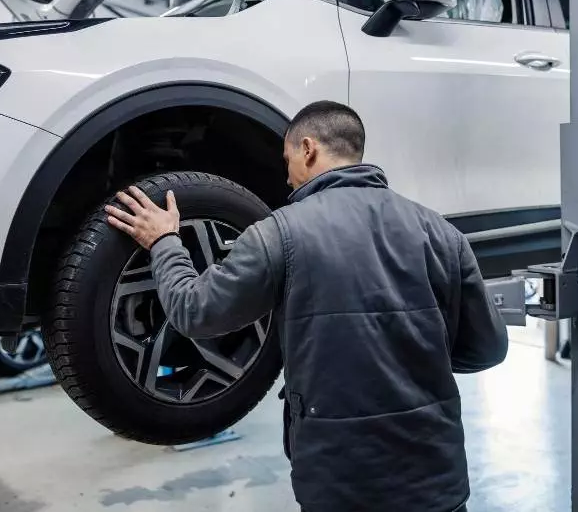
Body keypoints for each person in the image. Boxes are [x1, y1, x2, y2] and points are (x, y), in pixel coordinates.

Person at [106, 100, 509, 512]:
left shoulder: (278, 235)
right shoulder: (442, 233)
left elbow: (194, 312)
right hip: (436, 480)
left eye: (287, 159)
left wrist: (164, 242)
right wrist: (413, 358)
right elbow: (489, 348)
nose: (286, 176)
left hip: (340, 485)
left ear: (309, 150)